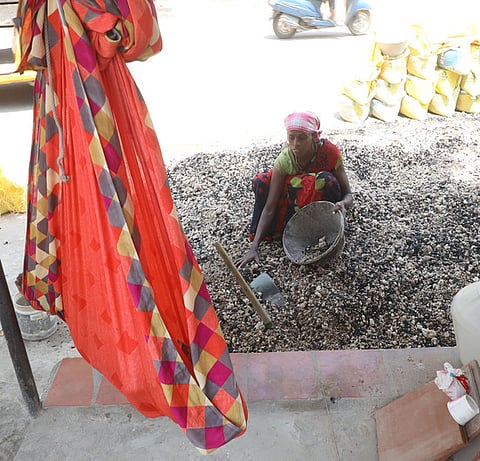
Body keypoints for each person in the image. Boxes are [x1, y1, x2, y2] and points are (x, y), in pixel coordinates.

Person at [236, 111, 353, 268]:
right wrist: (254, 247)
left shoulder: (329, 153)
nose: (295, 143)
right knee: (262, 182)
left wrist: (342, 204)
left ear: (314, 136)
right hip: (293, 204)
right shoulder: (285, 160)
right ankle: (291, 228)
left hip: (321, 206)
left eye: (302, 137)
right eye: (291, 137)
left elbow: (348, 194)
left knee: (326, 181)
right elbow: (270, 207)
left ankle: (324, 229)